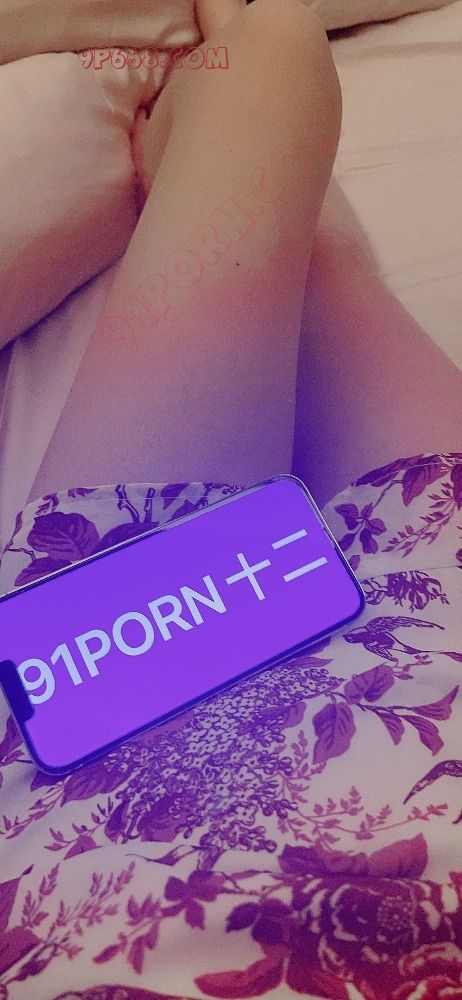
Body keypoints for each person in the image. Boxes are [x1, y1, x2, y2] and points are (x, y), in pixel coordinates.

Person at [0, 0, 461, 996]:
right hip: (427, 715)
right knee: (280, 84)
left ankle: (190, 66)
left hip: (130, 800)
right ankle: (200, 55)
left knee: (272, 69)